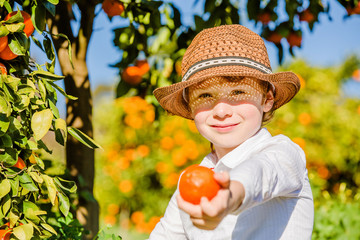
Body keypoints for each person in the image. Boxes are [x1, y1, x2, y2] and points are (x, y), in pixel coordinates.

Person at [148, 24, 314, 239]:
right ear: (190, 107)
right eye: (205, 96)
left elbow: (262, 173)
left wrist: (231, 194)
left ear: (267, 99)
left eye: (238, 92)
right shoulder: (189, 180)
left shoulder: (285, 153)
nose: (221, 110)